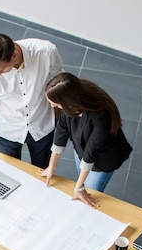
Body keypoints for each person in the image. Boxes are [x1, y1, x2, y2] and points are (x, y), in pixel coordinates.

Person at [0, 33, 63, 172]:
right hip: (7, 129)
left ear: (14, 56)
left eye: (2, 70)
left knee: (42, 172)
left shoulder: (46, 52)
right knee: (9, 173)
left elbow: (57, 85)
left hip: (42, 126)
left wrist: (55, 120)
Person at [38, 72, 132, 208]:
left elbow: (91, 153)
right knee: (83, 182)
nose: (54, 107)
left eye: (57, 105)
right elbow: (61, 133)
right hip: (83, 149)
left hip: (103, 158)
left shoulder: (101, 115)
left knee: (90, 190)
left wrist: (79, 187)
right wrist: (51, 166)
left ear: (68, 102)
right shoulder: (68, 104)